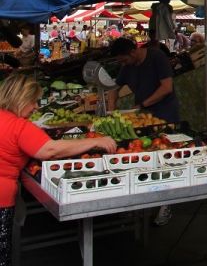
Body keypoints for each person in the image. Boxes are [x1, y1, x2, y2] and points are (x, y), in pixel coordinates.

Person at [0, 74, 116, 263]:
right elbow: (50, 150)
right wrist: (96, 141)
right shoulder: (18, 126)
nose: (36, 107)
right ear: (21, 99)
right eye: (33, 102)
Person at [107, 37, 178, 226]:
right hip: (142, 119)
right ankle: (138, 204)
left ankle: (165, 205)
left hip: (164, 116)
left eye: (123, 60)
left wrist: (142, 105)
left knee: (164, 160)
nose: (123, 64)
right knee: (142, 159)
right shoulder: (128, 66)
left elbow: (166, 87)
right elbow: (115, 87)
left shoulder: (157, 58)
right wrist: (112, 107)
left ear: (132, 52)